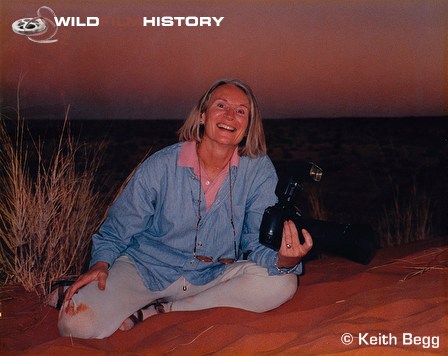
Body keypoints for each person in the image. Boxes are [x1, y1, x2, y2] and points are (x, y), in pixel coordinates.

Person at [56, 79, 313, 339]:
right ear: (202, 115)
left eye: (241, 111)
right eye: (221, 105)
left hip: (210, 276)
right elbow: (117, 229)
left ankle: (165, 310)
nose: (230, 116)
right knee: (75, 324)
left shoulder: (258, 170)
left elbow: (255, 241)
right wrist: (100, 263)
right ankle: (98, 294)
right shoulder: (162, 164)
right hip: (146, 269)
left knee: (283, 282)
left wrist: (283, 261)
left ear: (247, 127)